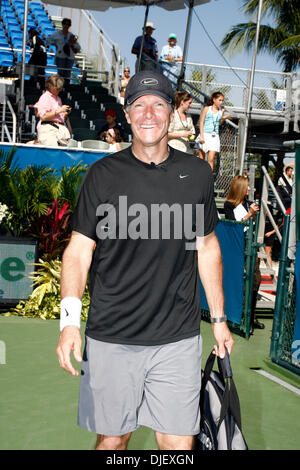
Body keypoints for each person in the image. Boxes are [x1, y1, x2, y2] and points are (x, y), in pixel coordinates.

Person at [56, 69, 234, 451]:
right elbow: (78, 250)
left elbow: (206, 247)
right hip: (112, 336)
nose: (149, 113)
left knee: (178, 444)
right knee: (113, 442)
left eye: (158, 104)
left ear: (172, 113)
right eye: (139, 104)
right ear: (126, 113)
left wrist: (218, 319)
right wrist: (69, 321)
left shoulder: (198, 174)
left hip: (177, 337)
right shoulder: (101, 175)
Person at [224, 175, 264, 331]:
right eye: (247, 186)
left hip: (250, 245)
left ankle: (251, 317)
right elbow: (232, 225)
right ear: (240, 187)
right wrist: (249, 215)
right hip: (236, 247)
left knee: (256, 280)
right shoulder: (229, 205)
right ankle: (234, 316)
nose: (249, 189)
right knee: (236, 282)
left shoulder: (248, 204)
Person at [34, 74, 72, 147]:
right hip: (49, 129)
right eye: (57, 88)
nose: (59, 90)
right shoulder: (45, 97)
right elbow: (43, 117)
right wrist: (59, 110)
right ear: (50, 86)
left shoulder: (58, 99)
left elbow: (57, 115)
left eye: (60, 88)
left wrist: (64, 114)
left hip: (60, 130)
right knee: (52, 153)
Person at [198, 92, 232, 171]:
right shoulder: (207, 108)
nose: (221, 102)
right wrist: (202, 136)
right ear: (214, 100)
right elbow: (201, 122)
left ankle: (209, 178)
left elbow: (219, 123)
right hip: (205, 134)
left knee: (211, 158)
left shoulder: (221, 111)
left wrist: (223, 118)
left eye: (222, 100)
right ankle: (199, 176)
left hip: (214, 136)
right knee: (201, 159)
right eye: (219, 100)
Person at [47, 18, 81, 88]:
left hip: (70, 57)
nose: (66, 25)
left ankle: (66, 88)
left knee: (67, 74)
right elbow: (48, 40)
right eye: (65, 24)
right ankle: (59, 88)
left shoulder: (71, 35)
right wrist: (56, 45)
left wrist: (72, 44)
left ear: (69, 26)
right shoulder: (57, 34)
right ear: (62, 24)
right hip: (60, 56)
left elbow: (78, 47)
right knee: (60, 74)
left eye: (68, 24)